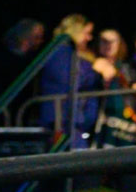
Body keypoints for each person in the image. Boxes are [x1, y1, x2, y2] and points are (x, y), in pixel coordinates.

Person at [36, 14, 115, 143]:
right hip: (63, 123)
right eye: (86, 33)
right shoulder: (60, 52)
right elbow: (71, 80)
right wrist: (97, 72)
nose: (89, 38)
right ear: (75, 31)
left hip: (75, 122)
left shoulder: (74, 53)